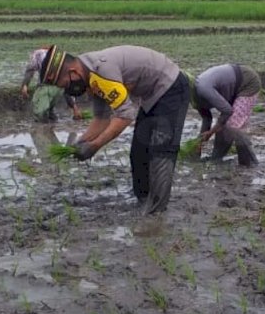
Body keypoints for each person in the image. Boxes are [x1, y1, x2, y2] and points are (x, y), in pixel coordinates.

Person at [40, 44, 190, 215]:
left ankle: (157, 213)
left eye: (65, 84)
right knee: (139, 152)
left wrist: (95, 146)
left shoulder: (101, 71)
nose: (67, 89)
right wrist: (79, 143)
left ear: (73, 71)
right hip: (151, 96)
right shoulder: (91, 77)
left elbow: (125, 115)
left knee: (160, 150)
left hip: (171, 87)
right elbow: (101, 119)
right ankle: (143, 201)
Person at [189, 63, 261, 166]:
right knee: (223, 124)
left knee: (232, 125)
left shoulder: (203, 89)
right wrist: (200, 142)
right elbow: (207, 118)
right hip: (232, 88)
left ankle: (250, 162)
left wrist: (211, 132)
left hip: (247, 82)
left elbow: (227, 111)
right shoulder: (192, 97)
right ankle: (217, 158)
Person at [21, 48, 81, 122]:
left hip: (46, 88)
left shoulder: (37, 54)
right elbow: (67, 85)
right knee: (49, 110)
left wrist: (25, 85)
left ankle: (44, 125)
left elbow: (30, 70)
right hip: (58, 89)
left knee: (40, 114)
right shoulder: (62, 58)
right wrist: (74, 107)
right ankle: (51, 117)